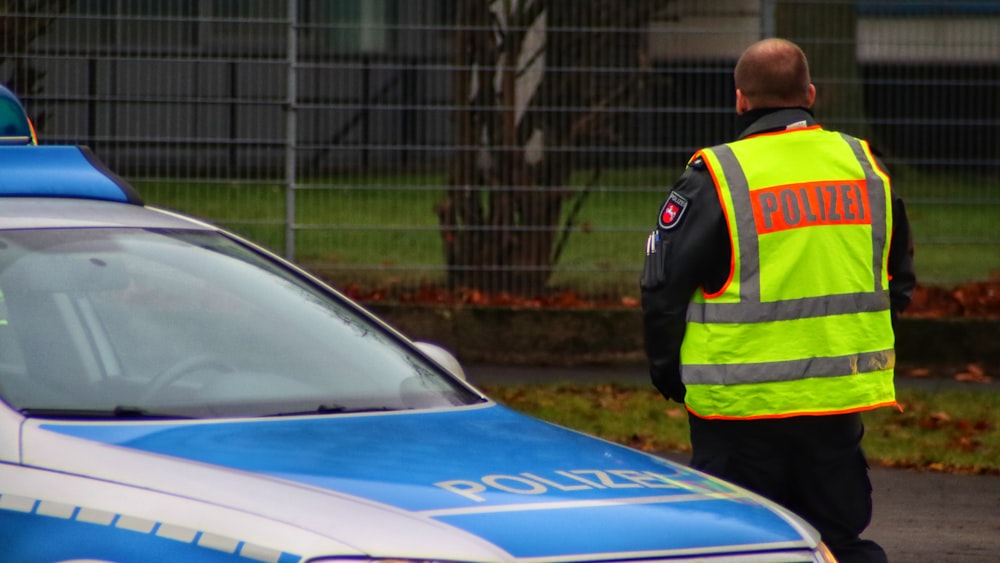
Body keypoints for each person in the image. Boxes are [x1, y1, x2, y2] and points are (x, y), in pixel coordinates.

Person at [640, 38, 915, 563]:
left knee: (737, 546)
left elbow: (662, 289)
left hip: (739, 411)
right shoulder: (865, 166)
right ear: (810, 93)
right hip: (836, 403)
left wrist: (667, 372)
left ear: (741, 100)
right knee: (833, 543)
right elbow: (896, 281)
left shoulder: (718, 176)